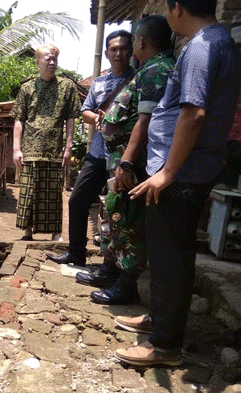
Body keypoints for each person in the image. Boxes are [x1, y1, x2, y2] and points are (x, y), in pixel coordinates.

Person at [114, 0, 241, 367]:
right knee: (167, 252)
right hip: (187, 170)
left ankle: (165, 346)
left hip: (180, 175)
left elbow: (194, 113)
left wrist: (167, 172)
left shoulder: (202, 47)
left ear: (177, 8)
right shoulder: (219, 42)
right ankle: (159, 317)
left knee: (171, 257)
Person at [86, 16, 175, 305]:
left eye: (132, 41)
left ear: (141, 42)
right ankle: (111, 272)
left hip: (133, 166)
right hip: (123, 161)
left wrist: (126, 162)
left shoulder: (156, 71)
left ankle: (126, 286)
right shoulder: (148, 69)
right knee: (116, 218)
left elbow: (146, 121)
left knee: (129, 223)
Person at [47, 31, 134, 266]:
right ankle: (76, 253)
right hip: (97, 152)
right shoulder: (99, 82)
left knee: (117, 209)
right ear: (106, 53)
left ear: (132, 51)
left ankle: (113, 265)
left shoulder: (137, 80)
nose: (118, 53)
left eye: (123, 48)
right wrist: (96, 117)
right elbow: (84, 111)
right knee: (77, 200)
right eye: (113, 49)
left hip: (123, 157)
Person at [10, 44, 81, 242]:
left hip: (54, 149)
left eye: (55, 59)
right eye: (48, 59)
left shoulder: (67, 87)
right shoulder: (27, 88)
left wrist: (68, 148)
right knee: (29, 191)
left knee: (52, 193)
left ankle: (56, 234)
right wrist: (16, 149)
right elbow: (18, 119)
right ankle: (28, 232)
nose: (52, 63)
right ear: (38, 62)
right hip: (30, 147)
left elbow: (71, 119)